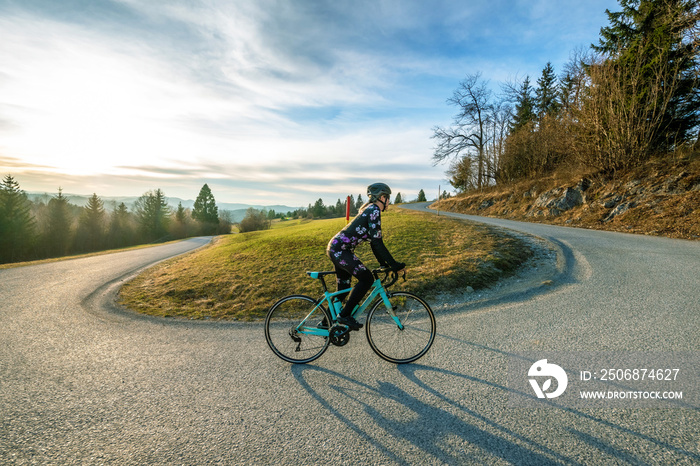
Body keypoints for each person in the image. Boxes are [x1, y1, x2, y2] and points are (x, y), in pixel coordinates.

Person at [326, 182, 405, 330]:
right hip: (341, 250)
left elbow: (374, 243)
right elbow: (378, 242)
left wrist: (384, 264)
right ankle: (344, 316)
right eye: (388, 198)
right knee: (366, 278)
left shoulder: (368, 210)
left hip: (336, 248)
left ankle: (326, 323)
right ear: (382, 197)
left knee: (344, 287)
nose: (389, 202)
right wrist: (394, 264)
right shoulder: (374, 210)